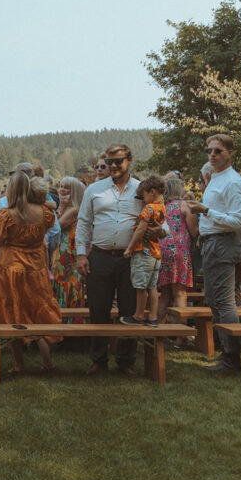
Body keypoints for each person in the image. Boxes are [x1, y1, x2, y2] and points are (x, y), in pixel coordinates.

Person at [75, 144, 156, 375]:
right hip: (99, 255)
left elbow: (160, 218)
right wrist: (81, 254)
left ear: (129, 160)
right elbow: (83, 222)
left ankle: (126, 360)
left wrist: (158, 230)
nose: (113, 166)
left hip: (132, 257)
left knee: (129, 310)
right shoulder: (95, 189)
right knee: (98, 309)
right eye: (109, 161)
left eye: (118, 161)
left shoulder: (142, 188)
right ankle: (99, 359)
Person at [186, 134, 241, 372]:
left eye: (218, 151)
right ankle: (227, 353)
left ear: (230, 153)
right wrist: (203, 232)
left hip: (224, 243)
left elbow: (237, 221)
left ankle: (232, 359)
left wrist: (205, 210)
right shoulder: (215, 178)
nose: (212, 155)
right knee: (213, 300)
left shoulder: (233, 182)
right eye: (210, 151)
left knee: (224, 302)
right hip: (212, 242)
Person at [0, 173, 61, 373]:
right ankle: (48, 363)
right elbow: (51, 227)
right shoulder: (45, 212)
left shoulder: (7, 214)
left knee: (12, 311)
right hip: (36, 266)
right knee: (38, 309)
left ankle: (18, 364)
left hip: (11, 266)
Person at [121, 176, 167, 327]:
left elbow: (141, 229)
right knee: (152, 286)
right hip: (156, 253)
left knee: (140, 286)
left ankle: (139, 315)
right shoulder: (162, 207)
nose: (142, 200)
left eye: (144, 196)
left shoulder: (149, 208)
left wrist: (130, 248)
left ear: (152, 192)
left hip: (144, 252)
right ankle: (153, 317)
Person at [157, 177, 198, 331]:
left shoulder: (161, 207)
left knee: (165, 295)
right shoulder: (184, 206)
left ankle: (158, 332)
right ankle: (180, 335)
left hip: (162, 253)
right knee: (180, 293)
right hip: (180, 253)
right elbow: (194, 231)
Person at [52, 177, 86, 318]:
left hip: (69, 253)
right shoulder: (69, 208)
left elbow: (56, 227)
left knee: (69, 285)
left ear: (74, 191)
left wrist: (61, 207)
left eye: (66, 187)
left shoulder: (75, 209)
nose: (62, 190)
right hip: (61, 251)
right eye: (61, 186)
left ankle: (69, 321)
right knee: (59, 285)